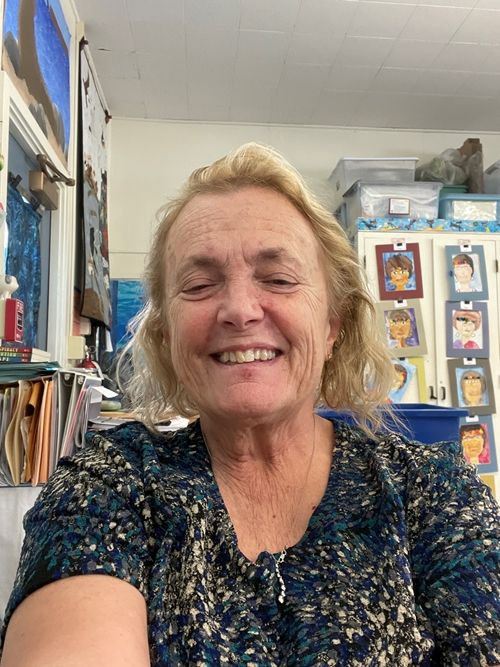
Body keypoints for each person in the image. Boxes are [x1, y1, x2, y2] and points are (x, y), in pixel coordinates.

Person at [1, 143, 499, 667]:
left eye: (279, 279)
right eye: (199, 285)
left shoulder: (430, 491)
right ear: (167, 334)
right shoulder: (108, 486)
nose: (239, 310)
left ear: (333, 324)